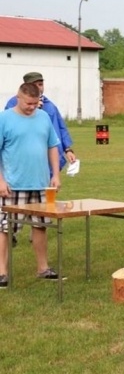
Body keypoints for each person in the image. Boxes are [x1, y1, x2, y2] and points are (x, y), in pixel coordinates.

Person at [0, 82, 62, 288]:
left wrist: (55, 174)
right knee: (5, 229)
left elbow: (52, 146)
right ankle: (2, 273)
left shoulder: (43, 117)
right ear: (18, 97)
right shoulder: (4, 119)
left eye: (36, 103)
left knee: (40, 226)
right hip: (12, 185)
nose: (32, 107)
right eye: (29, 103)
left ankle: (43, 269)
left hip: (40, 185)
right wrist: (0, 181)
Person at [5, 71, 77, 247]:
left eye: (41, 83)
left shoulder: (49, 108)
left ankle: (42, 265)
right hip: (16, 175)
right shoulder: (10, 108)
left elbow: (58, 130)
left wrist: (67, 149)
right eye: (36, 84)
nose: (40, 87)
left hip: (42, 172)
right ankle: (6, 258)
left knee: (41, 220)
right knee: (8, 223)